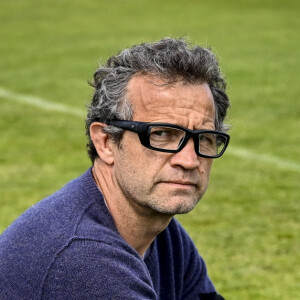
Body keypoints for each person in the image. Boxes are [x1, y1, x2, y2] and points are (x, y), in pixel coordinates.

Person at [0, 38, 230, 299]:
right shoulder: (84, 259)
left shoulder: (166, 238)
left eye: (205, 138)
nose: (189, 160)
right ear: (106, 142)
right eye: (162, 134)